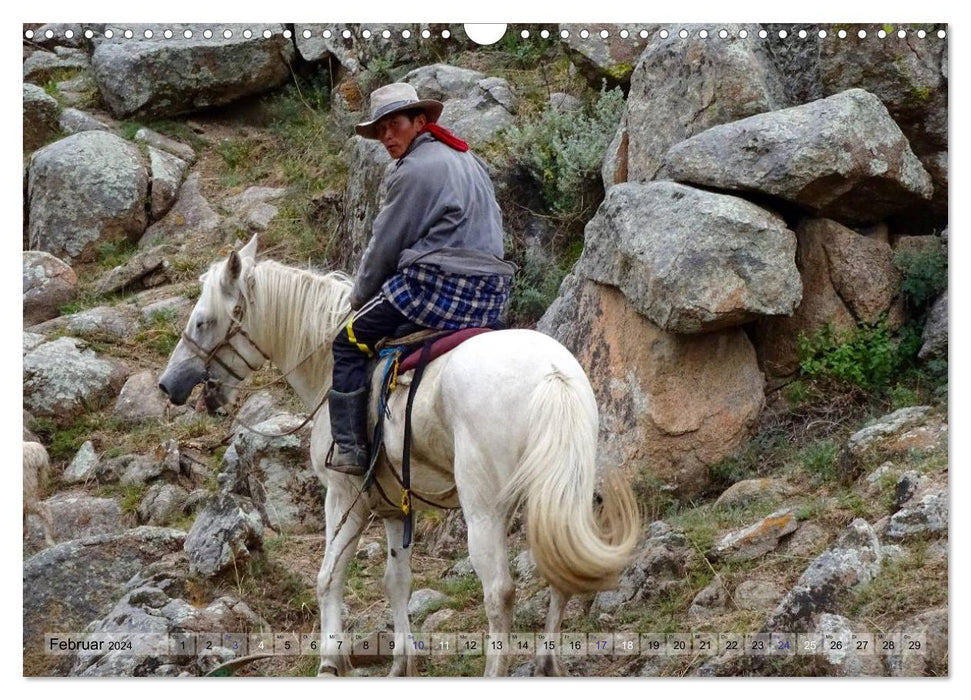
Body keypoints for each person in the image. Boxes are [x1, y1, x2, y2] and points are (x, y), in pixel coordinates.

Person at [327, 82, 516, 475]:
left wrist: (359, 297)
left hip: (435, 286)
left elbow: (384, 246)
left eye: (393, 124)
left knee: (347, 342)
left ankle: (350, 450)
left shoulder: (412, 170)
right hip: (491, 293)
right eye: (380, 130)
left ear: (419, 121)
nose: (387, 137)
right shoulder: (468, 159)